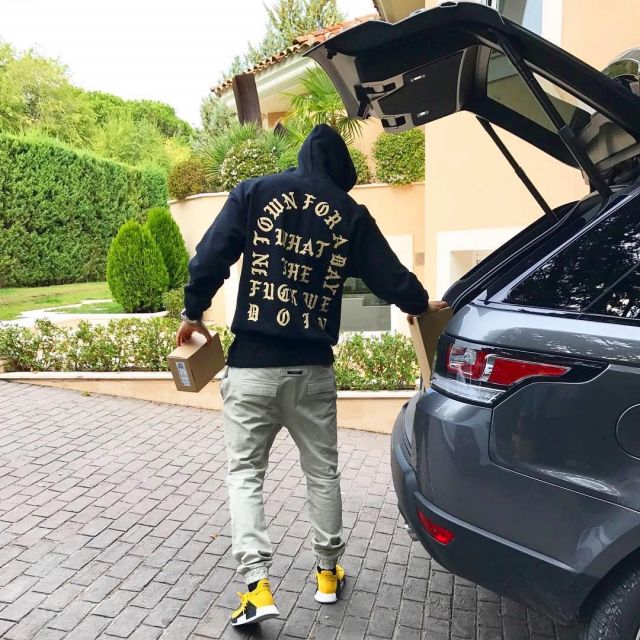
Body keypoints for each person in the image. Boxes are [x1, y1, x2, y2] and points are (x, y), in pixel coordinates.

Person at [176, 124, 446, 627]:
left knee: (245, 475)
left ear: (300, 158)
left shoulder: (254, 192)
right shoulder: (349, 213)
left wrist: (193, 311)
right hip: (312, 371)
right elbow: (389, 276)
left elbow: (212, 254)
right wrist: (419, 303)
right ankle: (326, 573)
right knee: (321, 473)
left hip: (252, 367)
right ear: (341, 171)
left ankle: (256, 588)